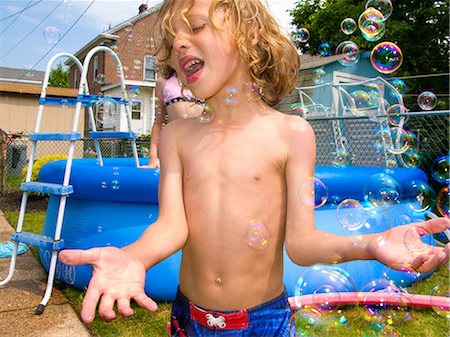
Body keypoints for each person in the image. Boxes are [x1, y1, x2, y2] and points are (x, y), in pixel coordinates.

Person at [59, 0, 450, 336]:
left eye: (195, 27)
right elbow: (171, 226)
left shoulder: (290, 133)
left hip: (264, 320)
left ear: (249, 36)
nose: (179, 43)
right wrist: (135, 256)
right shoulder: (178, 136)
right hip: (188, 318)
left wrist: (370, 244)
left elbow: (301, 243)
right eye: (172, 39)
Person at [145, 68, 203, 168]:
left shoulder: (204, 80)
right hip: (176, 144)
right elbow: (158, 124)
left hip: (201, 145)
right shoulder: (163, 82)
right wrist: (153, 158)